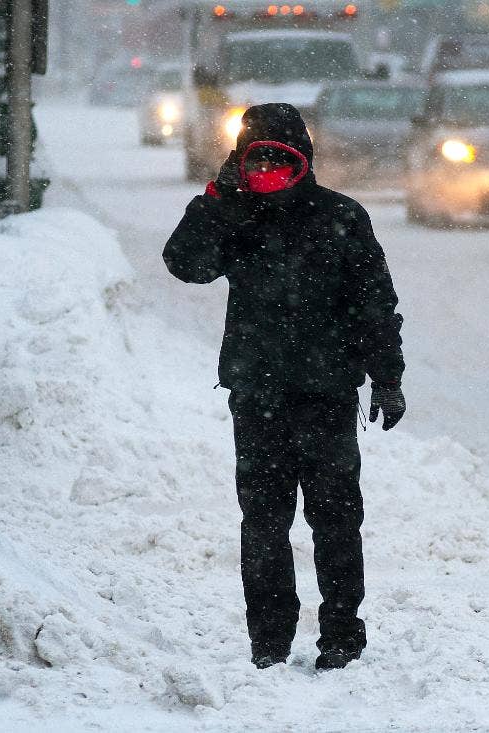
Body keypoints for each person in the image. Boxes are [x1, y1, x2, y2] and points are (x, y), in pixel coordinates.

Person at [162, 103, 406, 671]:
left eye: (281, 157)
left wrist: (387, 377)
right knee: (265, 521)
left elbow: (376, 305)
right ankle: (269, 640)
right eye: (257, 159)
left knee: (337, 518)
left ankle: (342, 633)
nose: (269, 171)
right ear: (239, 163)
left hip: (326, 395)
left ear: (304, 159)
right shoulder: (235, 218)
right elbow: (184, 263)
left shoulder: (341, 217)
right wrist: (216, 202)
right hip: (257, 396)